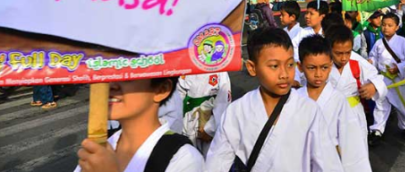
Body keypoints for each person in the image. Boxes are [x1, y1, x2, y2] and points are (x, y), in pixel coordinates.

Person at [206, 28, 343, 172]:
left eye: (289, 65)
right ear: (252, 68)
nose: (284, 74)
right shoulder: (237, 111)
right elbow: (217, 163)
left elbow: (328, 164)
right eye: (274, 66)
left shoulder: (308, 110)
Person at [75, 77, 204, 172]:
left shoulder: (183, 158)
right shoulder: (104, 144)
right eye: (108, 74)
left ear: (161, 90)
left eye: (126, 76)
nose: (111, 85)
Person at [297, 35, 372, 172]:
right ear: (300, 67)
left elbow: (352, 145)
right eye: (312, 68)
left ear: (330, 65)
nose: (318, 74)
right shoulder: (294, 99)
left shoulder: (339, 101)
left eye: (324, 68)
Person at [325, 25, 388, 148]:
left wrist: (373, 86)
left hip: (353, 113)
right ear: (329, 49)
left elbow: (378, 78)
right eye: (338, 53)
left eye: (347, 52)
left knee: (357, 151)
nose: (344, 58)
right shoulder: (321, 63)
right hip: (327, 113)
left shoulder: (356, 61)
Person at [367, 13, 405, 146]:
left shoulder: (403, 42)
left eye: (390, 25)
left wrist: (399, 67)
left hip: (397, 79)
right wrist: (371, 61)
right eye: (384, 25)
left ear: (397, 27)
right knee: (381, 104)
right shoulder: (378, 43)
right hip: (383, 78)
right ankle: (377, 129)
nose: (386, 28)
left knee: (402, 104)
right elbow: (374, 56)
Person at [178, 72, 231, 157]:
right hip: (188, 124)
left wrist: (210, 130)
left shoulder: (221, 71)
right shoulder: (184, 68)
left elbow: (224, 103)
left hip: (211, 127)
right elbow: (176, 99)